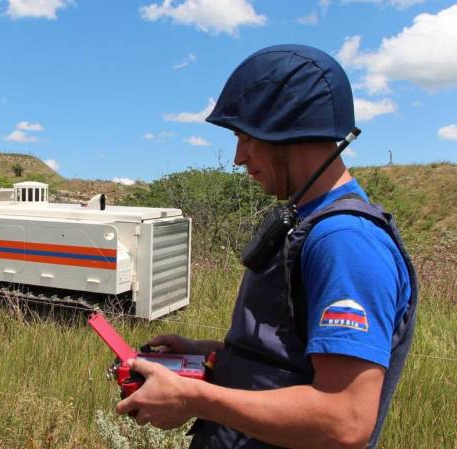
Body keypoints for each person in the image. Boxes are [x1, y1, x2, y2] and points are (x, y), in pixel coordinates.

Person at [115, 45, 418, 449]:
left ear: (288, 130)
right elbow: (286, 364)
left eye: (245, 138)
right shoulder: (310, 224)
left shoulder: (346, 242)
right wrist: (209, 357)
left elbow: (344, 419)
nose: (239, 158)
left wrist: (192, 398)